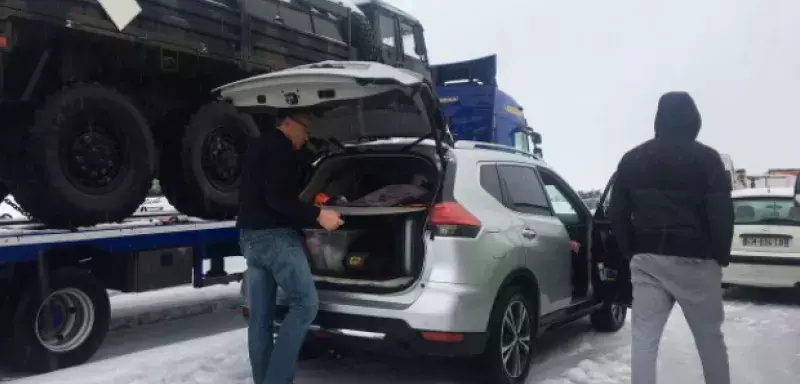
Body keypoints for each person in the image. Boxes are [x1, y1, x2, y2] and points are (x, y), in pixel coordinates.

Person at [608, 91, 733, 384]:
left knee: (643, 341)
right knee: (710, 341)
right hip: (697, 261)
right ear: (694, 119)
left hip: (648, 260)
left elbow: (617, 212)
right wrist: (720, 256)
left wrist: (632, 252)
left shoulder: (631, 159)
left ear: (658, 119)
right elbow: (721, 213)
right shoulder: (708, 160)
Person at [237, 112, 343, 384]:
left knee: (260, 319)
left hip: (250, 238)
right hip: (274, 239)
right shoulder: (279, 148)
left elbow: (267, 190)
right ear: (288, 124)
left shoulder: (258, 146)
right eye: (305, 130)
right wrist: (318, 215)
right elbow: (278, 198)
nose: (306, 137)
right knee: (306, 304)